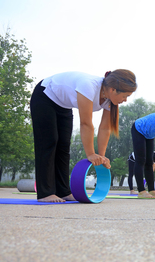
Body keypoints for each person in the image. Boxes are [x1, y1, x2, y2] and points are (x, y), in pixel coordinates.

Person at [30, 70, 137, 202]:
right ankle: (45, 193)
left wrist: (101, 157)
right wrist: (91, 154)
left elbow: (105, 128)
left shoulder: (109, 100)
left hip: (63, 105)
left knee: (63, 146)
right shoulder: (89, 86)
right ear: (113, 89)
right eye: (125, 96)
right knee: (49, 142)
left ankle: (63, 191)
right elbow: (86, 124)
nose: (125, 100)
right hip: (45, 96)